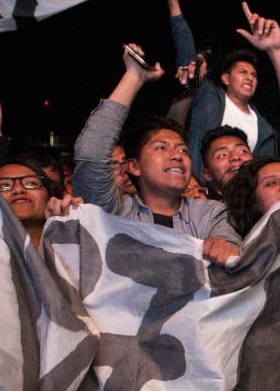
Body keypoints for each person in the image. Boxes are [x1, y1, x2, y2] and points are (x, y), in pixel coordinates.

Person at [72, 45, 241, 265]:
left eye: (183, 149)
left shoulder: (211, 214)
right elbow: (91, 153)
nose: (177, 156)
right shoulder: (114, 212)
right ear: (133, 166)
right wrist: (134, 76)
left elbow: (230, 244)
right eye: (161, 148)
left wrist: (224, 246)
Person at [149, 0, 280, 179]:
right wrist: (174, 5)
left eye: (254, 75)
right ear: (225, 78)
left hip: (240, 200)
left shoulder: (265, 129)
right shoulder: (209, 99)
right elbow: (188, 63)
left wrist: (276, 50)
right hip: (202, 193)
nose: (250, 77)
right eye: (243, 72)